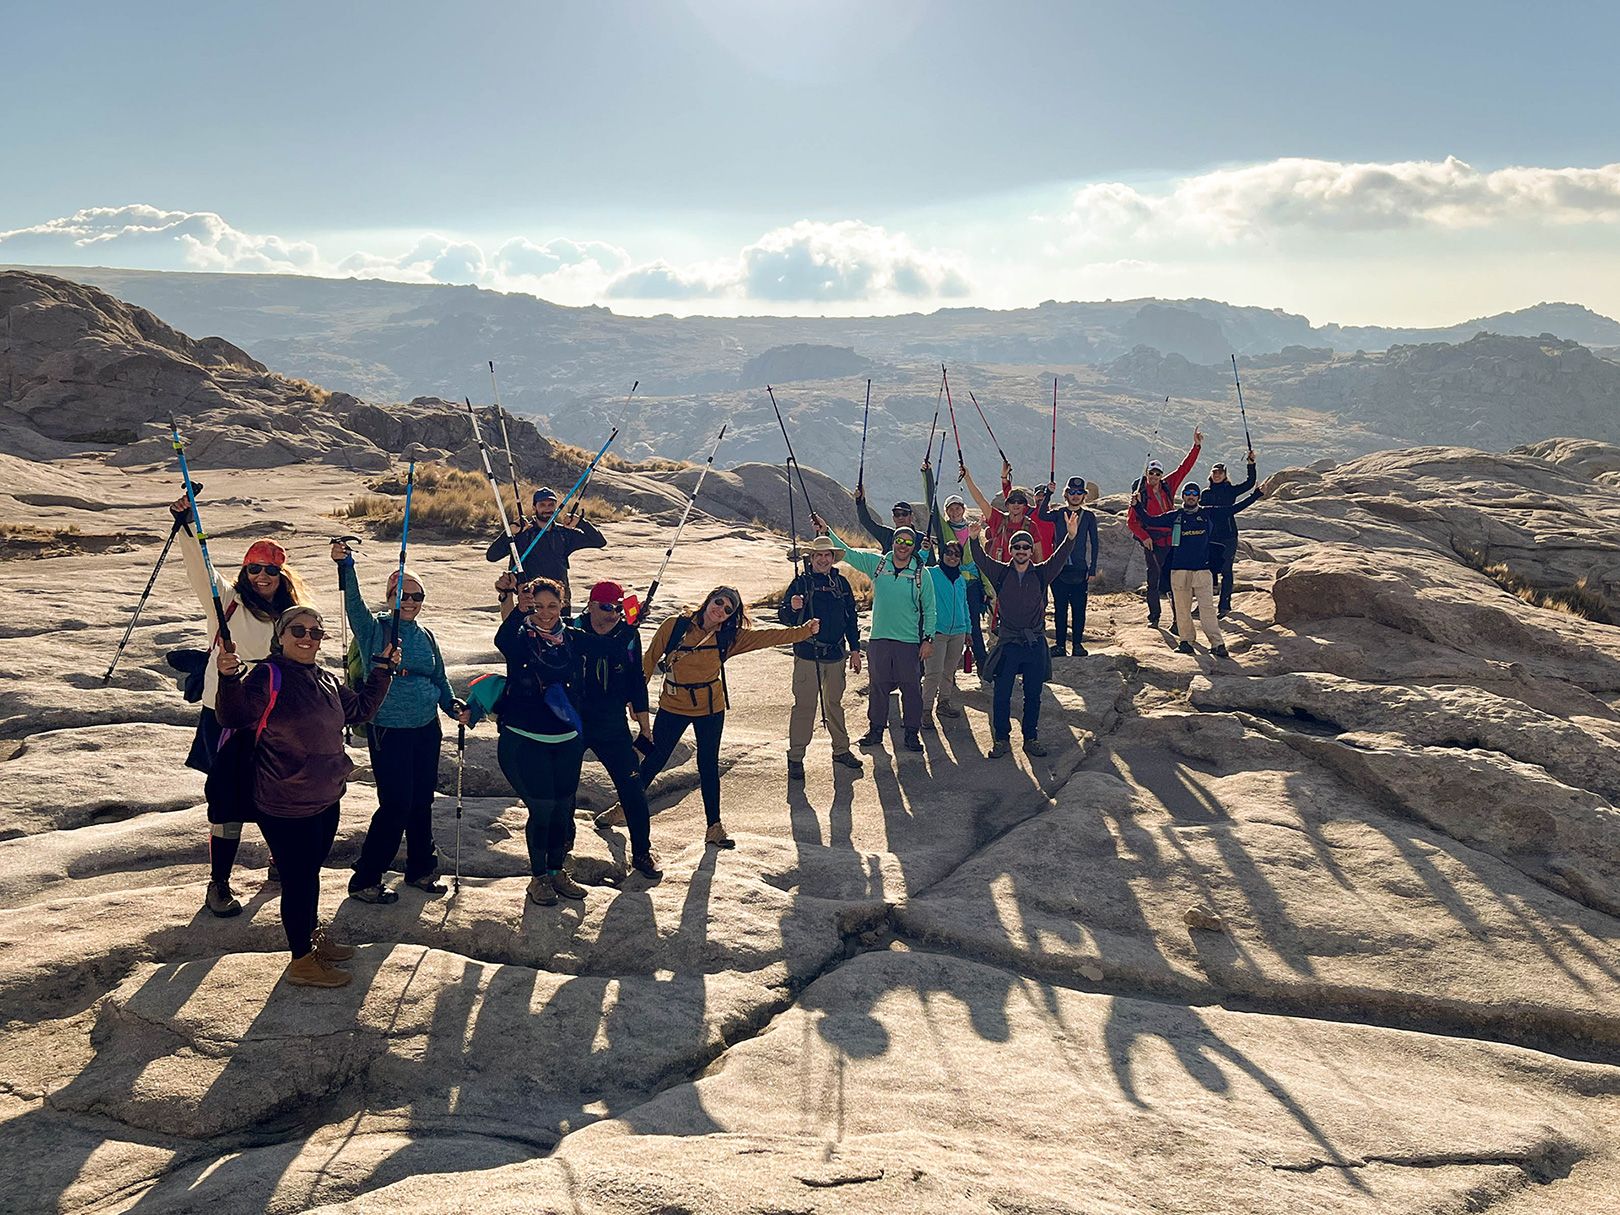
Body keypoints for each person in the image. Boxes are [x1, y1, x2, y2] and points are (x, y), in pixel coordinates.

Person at [215, 607, 395, 988]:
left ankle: (312, 938)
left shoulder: (325, 679)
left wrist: (382, 670)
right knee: (298, 881)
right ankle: (301, 961)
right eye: (298, 630)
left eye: (316, 632)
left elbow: (360, 709)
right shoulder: (268, 675)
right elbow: (233, 716)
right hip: (285, 803)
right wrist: (228, 678)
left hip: (325, 798)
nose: (308, 637)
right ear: (280, 635)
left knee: (309, 875)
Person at [170, 493, 314, 916]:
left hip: (274, 715)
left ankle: (278, 862)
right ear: (244, 570)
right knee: (227, 798)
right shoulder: (226, 600)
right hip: (227, 713)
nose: (262, 576)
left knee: (277, 791)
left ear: (281, 573)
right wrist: (188, 524)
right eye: (255, 568)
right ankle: (218, 884)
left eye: (271, 569)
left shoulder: (292, 614)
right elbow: (200, 568)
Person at [332, 541, 462, 904]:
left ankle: (420, 869)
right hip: (389, 728)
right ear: (390, 597)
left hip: (426, 727)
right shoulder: (374, 629)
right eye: (402, 595)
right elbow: (353, 605)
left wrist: (453, 706)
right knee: (396, 804)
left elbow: (439, 677)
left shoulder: (426, 635)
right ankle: (366, 878)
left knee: (422, 800)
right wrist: (346, 566)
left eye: (417, 596)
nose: (410, 602)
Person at [639, 588, 816, 848]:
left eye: (727, 609)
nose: (720, 610)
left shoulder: (729, 637)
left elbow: (768, 637)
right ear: (709, 599)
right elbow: (649, 659)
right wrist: (636, 698)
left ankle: (714, 827)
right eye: (718, 602)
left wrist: (804, 631)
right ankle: (626, 806)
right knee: (655, 758)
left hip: (710, 708)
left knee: (708, 765)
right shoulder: (675, 626)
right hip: (674, 705)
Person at [494, 577, 591, 906]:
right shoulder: (521, 637)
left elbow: (609, 648)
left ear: (563, 604)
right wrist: (515, 610)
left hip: (566, 740)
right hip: (524, 739)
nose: (546, 613)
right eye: (538, 606)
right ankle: (538, 879)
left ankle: (555, 871)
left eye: (552, 605)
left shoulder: (573, 638)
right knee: (543, 808)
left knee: (563, 808)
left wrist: (630, 622)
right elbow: (503, 640)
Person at [817, 521, 938, 753]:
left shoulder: (921, 574)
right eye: (899, 540)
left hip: (908, 641)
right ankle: (876, 730)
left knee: (911, 688)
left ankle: (911, 733)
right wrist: (826, 532)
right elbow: (848, 554)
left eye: (908, 542)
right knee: (878, 686)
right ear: (893, 542)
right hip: (880, 638)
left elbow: (930, 609)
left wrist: (928, 639)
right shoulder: (879, 564)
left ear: (913, 546)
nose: (903, 545)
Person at [570, 579, 663, 880]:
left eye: (618, 609)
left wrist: (645, 728)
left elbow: (636, 680)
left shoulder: (629, 634)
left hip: (612, 723)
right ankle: (561, 849)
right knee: (564, 787)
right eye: (607, 607)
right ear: (591, 605)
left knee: (632, 789)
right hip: (574, 721)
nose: (613, 614)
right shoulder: (573, 629)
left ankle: (642, 853)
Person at [969, 511, 1078, 759]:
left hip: (1034, 643)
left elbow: (1060, 557)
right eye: (1017, 547)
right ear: (1011, 550)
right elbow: (980, 559)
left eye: (1026, 547)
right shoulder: (1000, 573)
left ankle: (1031, 739)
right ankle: (1001, 739)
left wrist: (1070, 537)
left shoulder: (1041, 573)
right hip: (1008, 642)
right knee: (1001, 695)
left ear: (1031, 551)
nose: (1021, 551)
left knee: (1033, 695)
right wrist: (974, 540)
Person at [1136, 481, 1262, 657]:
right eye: (1188, 493)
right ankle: (1186, 642)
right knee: (1182, 609)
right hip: (1179, 570)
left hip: (1203, 570)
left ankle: (1217, 644)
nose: (1191, 496)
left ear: (1198, 497)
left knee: (1207, 609)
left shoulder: (1207, 513)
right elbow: (1150, 520)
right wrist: (1137, 505)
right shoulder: (1175, 516)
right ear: (1183, 496)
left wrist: (1256, 495)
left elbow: (1232, 509)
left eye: (1194, 493)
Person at [779, 537, 864, 780]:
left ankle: (841, 750)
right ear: (812, 558)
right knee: (805, 707)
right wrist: (793, 607)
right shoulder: (800, 583)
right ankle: (796, 757)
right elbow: (784, 618)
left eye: (827, 555)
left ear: (833, 558)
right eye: (819, 555)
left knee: (834, 704)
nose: (823, 559)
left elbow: (851, 618)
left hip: (836, 655)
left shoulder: (842, 583)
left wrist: (855, 650)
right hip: (808, 655)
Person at [484, 486, 606, 610]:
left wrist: (581, 523)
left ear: (556, 507)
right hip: (530, 598)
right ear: (534, 508)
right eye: (542, 505)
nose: (547, 508)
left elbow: (599, 542)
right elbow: (492, 556)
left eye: (551, 505)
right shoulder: (522, 534)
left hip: (560, 599)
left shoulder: (564, 534)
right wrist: (509, 533)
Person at [1127, 430, 1202, 626]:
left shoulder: (1168, 486)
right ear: (1146, 473)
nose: (1154, 476)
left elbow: (1184, 469)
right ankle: (1154, 618)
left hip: (1172, 540)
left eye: (1157, 473)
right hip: (1153, 542)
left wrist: (1196, 446)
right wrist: (1144, 537)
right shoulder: (1140, 493)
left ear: (1161, 475)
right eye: (1151, 473)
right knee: (1153, 581)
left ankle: (1178, 621)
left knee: (1174, 581)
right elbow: (1132, 521)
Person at [921, 464, 988, 667]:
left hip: (973, 584)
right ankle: (947, 667)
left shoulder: (973, 529)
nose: (955, 511)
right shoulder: (943, 529)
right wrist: (927, 474)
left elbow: (981, 559)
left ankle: (982, 664)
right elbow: (931, 504)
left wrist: (987, 588)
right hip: (951, 581)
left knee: (973, 625)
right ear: (947, 512)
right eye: (951, 508)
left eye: (958, 507)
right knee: (949, 624)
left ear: (963, 510)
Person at [1035, 476, 1101, 656]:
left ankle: (1078, 645)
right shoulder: (1059, 513)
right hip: (1059, 569)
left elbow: (1095, 543)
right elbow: (1041, 515)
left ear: (1084, 495)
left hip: (1080, 570)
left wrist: (1093, 568)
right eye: (1072, 492)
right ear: (1066, 494)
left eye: (1079, 492)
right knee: (1060, 609)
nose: (1075, 495)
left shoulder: (1088, 516)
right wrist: (1048, 493)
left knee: (1079, 609)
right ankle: (1060, 646)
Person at [1199, 450, 1259, 616]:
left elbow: (1250, 482)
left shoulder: (1230, 490)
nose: (1217, 475)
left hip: (1228, 535)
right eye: (1214, 472)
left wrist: (1251, 463)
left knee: (1226, 570)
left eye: (1220, 472)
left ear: (1225, 475)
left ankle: (1224, 606)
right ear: (1211, 475)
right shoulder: (1206, 493)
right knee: (1208, 572)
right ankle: (1205, 605)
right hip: (1211, 536)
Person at [921, 539, 972, 727]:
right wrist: (924, 551)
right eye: (948, 552)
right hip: (937, 632)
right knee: (933, 673)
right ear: (941, 554)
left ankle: (944, 703)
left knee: (949, 671)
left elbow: (964, 605)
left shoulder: (961, 579)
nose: (952, 557)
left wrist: (968, 630)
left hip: (958, 632)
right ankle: (925, 710)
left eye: (957, 554)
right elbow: (915, 569)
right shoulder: (931, 574)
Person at [962, 459, 1048, 561]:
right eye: (1012, 501)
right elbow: (980, 501)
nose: (1016, 504)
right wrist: (967, 477)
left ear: (1025, 506)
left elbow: (1039, 555)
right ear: (1007, 505)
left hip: (1022, 570)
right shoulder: (998, 520)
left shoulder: (1031, 526)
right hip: (998, 570)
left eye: (1020, 501)